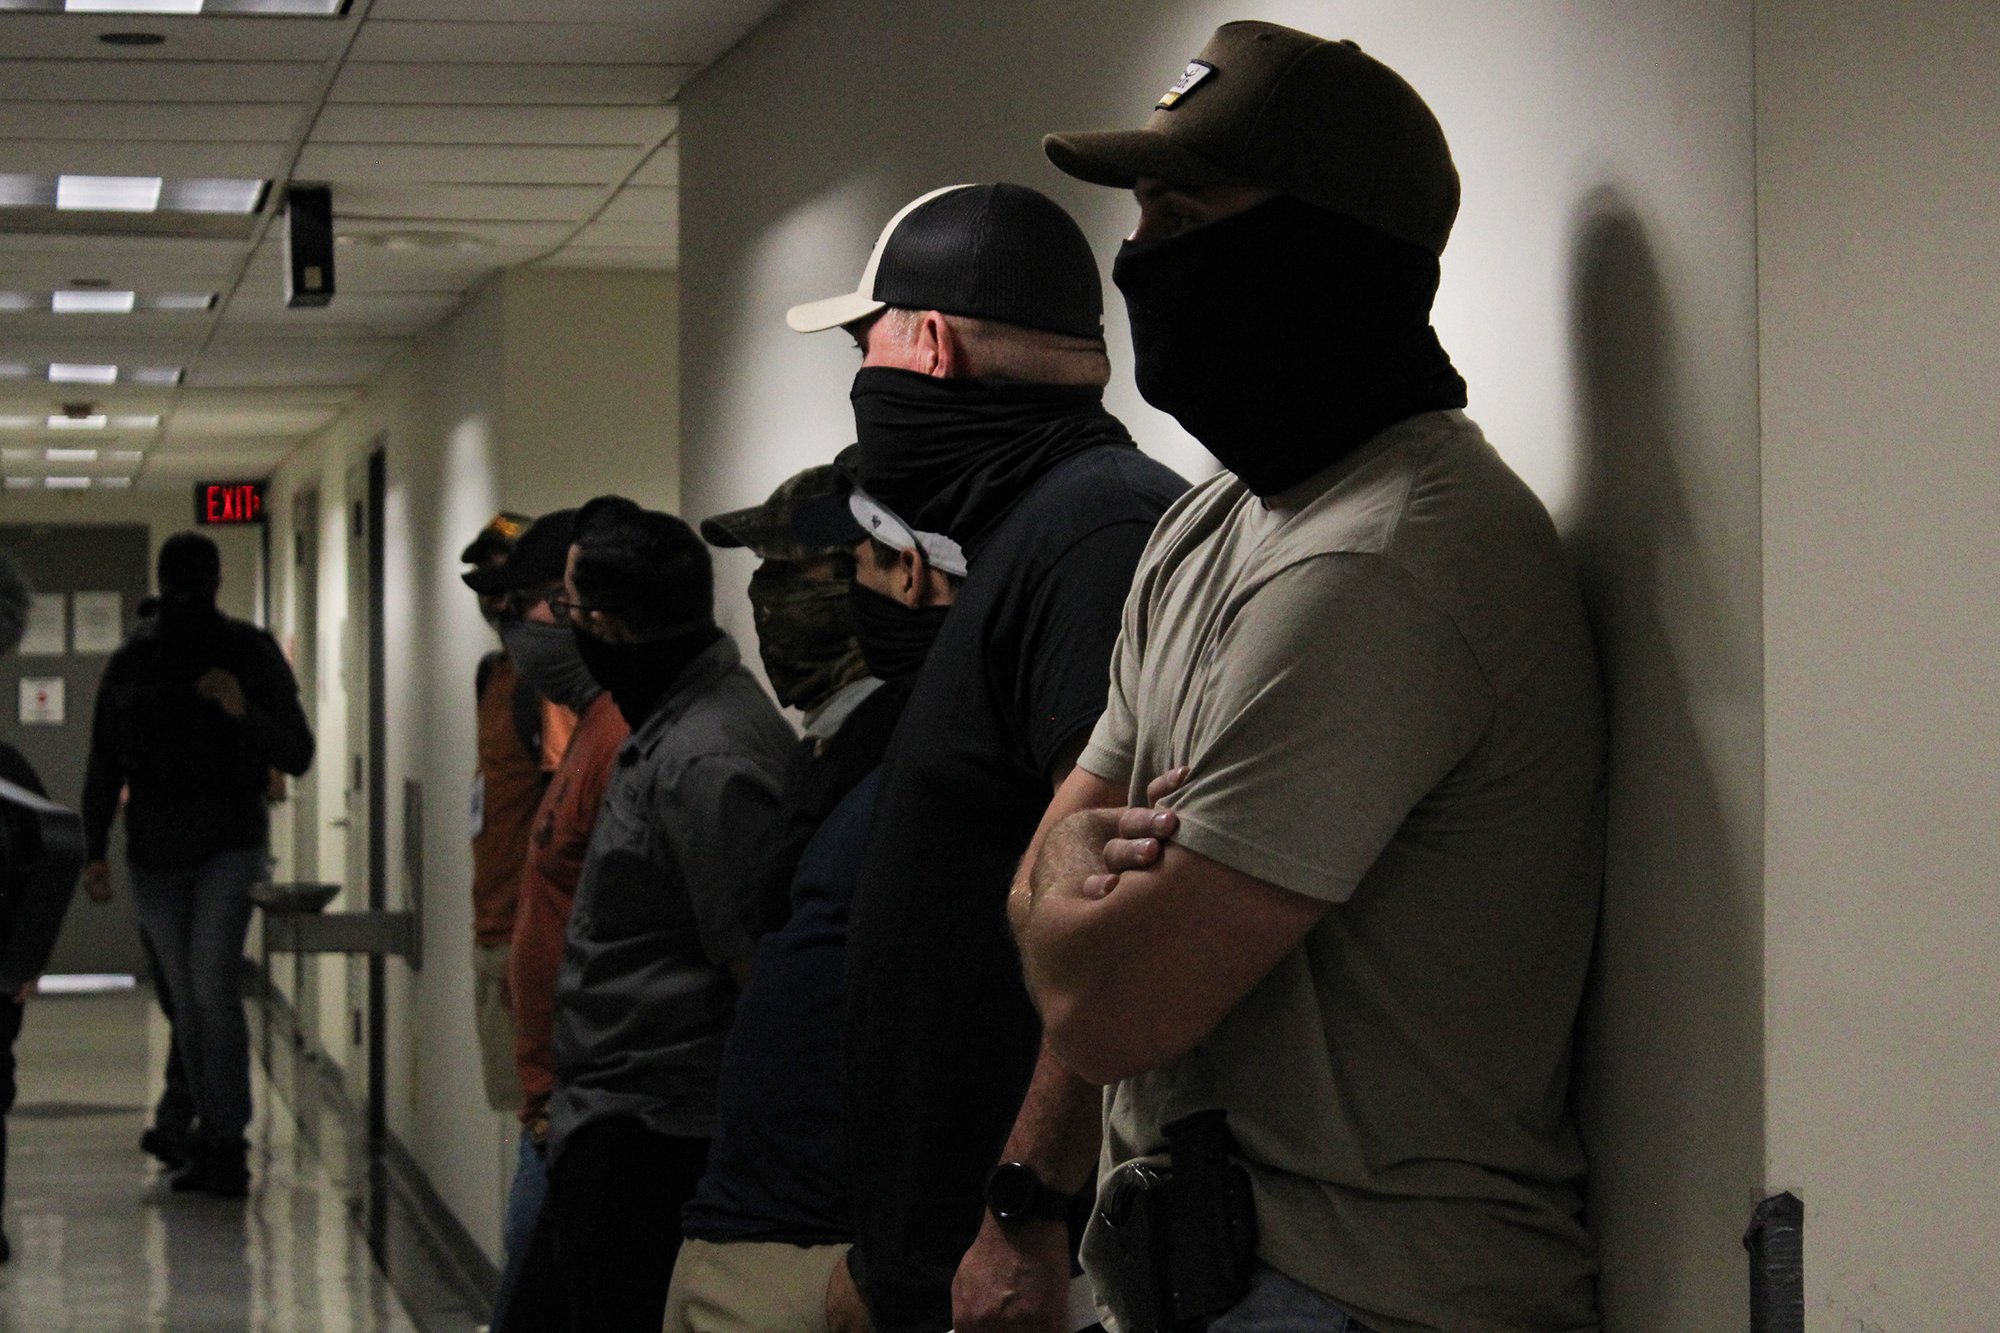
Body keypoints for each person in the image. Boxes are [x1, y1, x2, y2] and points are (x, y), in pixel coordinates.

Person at [1013, 23, 1607, 1331]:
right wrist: (1024, 1198)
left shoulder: (1386, 564)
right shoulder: (1214, 518)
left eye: (1185, 212)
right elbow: (1075, 844)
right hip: (1204, 1274)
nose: (1143, 259)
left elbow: (1105, 999)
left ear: (1322, 255)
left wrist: (1051, 900)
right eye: (1142, 213)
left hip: (1365, 1295)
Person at [786, 182, 1186, 1332]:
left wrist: (1021, 1211)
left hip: (1014, 1266)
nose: (861, 378)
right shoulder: (1030, 534)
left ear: (924, 342)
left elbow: (1122, 907)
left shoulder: (1095, 534)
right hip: (935, 1252)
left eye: (864, 344)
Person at [665, 469, 952, 1333]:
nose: (764, 599)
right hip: (773, 1214)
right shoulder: (823, 744)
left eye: (791, 573)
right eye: (759, 575)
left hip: (831, 1235)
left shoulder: (904, 744)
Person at [516, 496, 794, 1332]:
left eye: (568, 610)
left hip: (661, 1143)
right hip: (619, 1125)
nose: (561, 629)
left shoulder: (706, 759)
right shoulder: (666, 723)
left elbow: (758, 977)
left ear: (606, 623)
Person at [80, 532, 315, 1197]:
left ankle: (226, 1136)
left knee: (210, 989)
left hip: (226, 847)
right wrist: (95, 848)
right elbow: (105, 760)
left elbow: (296, 750)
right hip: (155, 852)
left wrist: (241, 707)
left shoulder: (246, 653)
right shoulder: (136, 661)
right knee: (187, 999)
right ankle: (207, 1131)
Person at [454, 508, 626, 1331]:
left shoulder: (581, 717)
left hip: (580, 1055)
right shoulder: (497, 677)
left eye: (520, 597)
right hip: (508, 948)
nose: (507, 620)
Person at [459, 511, 543, 1119]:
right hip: (492, 926)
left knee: (539, 1119)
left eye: (508, 579)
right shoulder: (495, 676)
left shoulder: (550, 687)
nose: (497, 598)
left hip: (531, 930)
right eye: (486, 580)